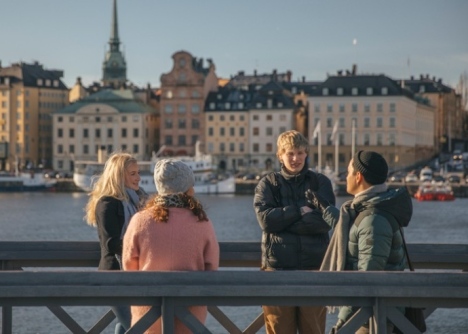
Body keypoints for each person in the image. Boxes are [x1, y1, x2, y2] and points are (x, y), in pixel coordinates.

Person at [307, 150, 413, 334]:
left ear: (358, 176)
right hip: (370, 312)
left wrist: (341, 323)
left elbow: (367, 277)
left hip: (373, 318)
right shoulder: (371, 207)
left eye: (348, 172)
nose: (345, 176)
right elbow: (353, 232)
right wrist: (324, 208)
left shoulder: (373, 219)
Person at [123, 158, 219, 334]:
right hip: (190, 311)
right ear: (189, 189)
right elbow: (212, 266)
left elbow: (129, 266)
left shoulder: (139, 221)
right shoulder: (202, 222)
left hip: (148, 310)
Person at [253, 130, 336, 334]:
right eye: (289, 153)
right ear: (280, 155)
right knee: (279, 331)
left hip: (315, 269)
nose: (295, 158)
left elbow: (325, 221)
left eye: (299, 153)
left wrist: (282, 221)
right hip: (277, 271)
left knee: (314, 330)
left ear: (306, 153)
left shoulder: (320, 183)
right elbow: (266, 221)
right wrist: (299, 211)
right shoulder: (268, 184)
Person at [85, 152, 148, 334]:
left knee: (125, 326)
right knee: (139, 328)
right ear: (119, 175)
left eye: (138, 172)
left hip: (135, 274)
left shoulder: (140, 200)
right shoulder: (107, 203)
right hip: (114, 275)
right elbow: (111, 243)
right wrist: (142, 248)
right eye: (133, 173)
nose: (138, 178)